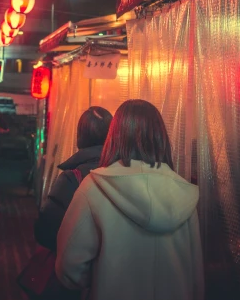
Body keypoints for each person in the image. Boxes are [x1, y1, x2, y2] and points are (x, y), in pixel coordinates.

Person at [56, 100, 204, 300]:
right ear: (161, 138)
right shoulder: (183, 193)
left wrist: (100, 279)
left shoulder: (94, 187)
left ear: (114, 136)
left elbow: (69, 267)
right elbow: (196, 275)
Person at [34, 106, 113, 251]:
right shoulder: (126, 172)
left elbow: (46, 232)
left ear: (80, 136)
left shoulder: (71, 179)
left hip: (78, 265)